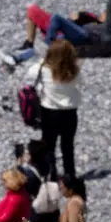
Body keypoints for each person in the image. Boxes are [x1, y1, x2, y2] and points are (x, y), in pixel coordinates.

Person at [28, 40, 82, 179]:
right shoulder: (74, 71)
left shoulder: (44, 69)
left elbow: (29, 76)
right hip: (70, 112)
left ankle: (50, 175)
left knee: (49, 146)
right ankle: (70, 175)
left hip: (49, 111)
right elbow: (80, 83)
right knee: (68, 147)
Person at [0, 2, 111, 67]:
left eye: (107, 13)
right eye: (105, 11)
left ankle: (18, 57)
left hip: (70, 36)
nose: (105, 13)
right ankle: (24, 49)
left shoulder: (106, 28)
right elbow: (71, 19)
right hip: (62, 31)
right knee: (33, 10)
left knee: (55, 22)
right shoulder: (90, 16)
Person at [21, 142, 63, 222]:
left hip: (36, 213)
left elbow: (25, 190)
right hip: (52, 209)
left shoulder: (29, 173)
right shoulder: (51, 168)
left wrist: (21, 165)